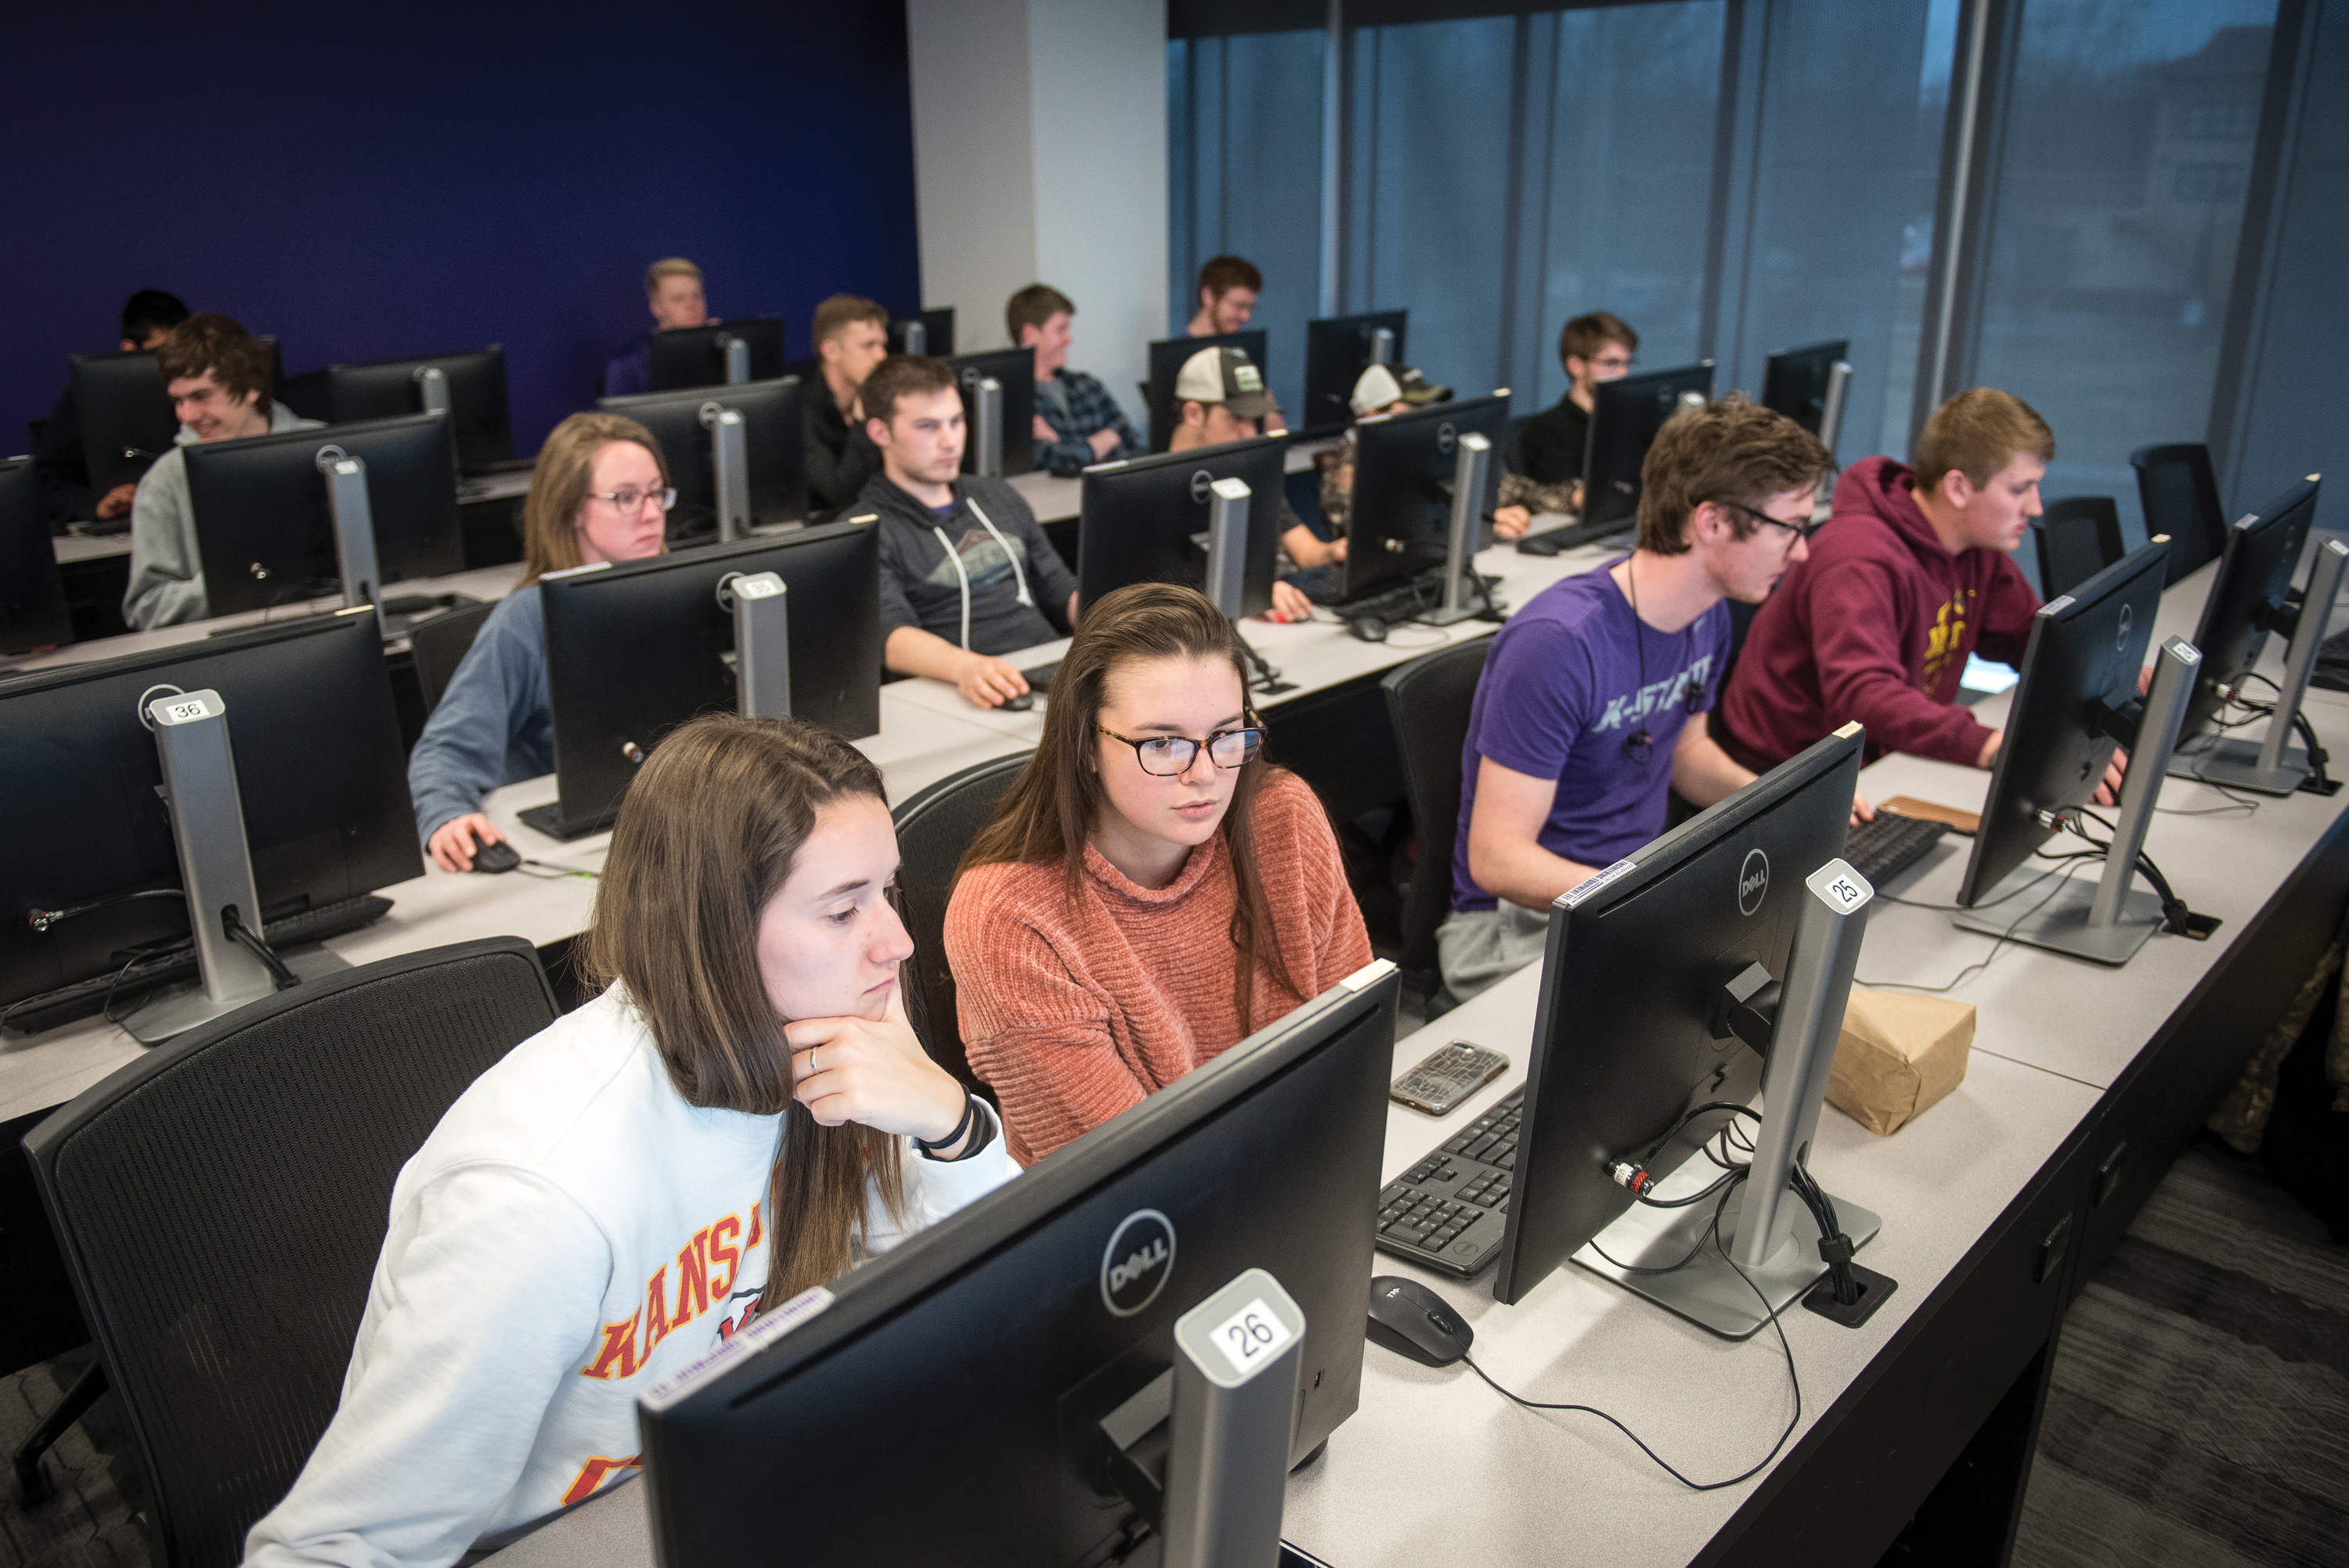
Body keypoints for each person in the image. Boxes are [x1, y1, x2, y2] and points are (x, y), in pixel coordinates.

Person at [244, 713, 1017, 1566]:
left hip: (749, 1479)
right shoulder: (538, 1197)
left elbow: (988, 1301)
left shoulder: (832, 1046)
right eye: (842, 910)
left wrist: (951, 1124)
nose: (898, 941)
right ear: (716, 930)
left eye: (888, 890)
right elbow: (333, 1549)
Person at [944, 582, 1373, 1163]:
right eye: (1164, 743)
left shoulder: (1282, 814)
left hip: (1307, 1163)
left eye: (1226, 734)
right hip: (1139, 1234)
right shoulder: (1010, 918)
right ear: (1085, 745)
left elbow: (1355, 1041)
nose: (1204, 773)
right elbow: (1130, 1172)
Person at [1440, 395, 1842, 1002]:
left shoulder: (1706, 615)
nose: (1803, 550)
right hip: (1516, 923)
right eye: (1791, 528)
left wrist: (1794, 807)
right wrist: (1654, 904)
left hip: (1629, 895)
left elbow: (1687, 752)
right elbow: (1496, 861)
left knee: (1795, 979)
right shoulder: (1557, 645)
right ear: (1711, 522)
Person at [1716, 387, 2058, 780]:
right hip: (1787, 776)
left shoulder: (1976, 548)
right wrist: (1988, 746)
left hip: (1878, 762)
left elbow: (2030, 637)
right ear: (1958, 488)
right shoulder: (1857, 556)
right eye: (2019, 489)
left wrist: (2102, 668)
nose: (2035, 508)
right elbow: (1863, 696)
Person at [406, 412, 673, 871]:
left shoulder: (680, 593)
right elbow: (444, 753)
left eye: (656, 493)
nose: (651, 514)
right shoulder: (527, 621)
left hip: (674, 821)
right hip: (580, 848)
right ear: (573, 511)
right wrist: (448, 815)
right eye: (626, 498)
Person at [857, 354, 1081, 710]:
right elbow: (892, 637)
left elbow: (1057, 585)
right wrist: (966, 668)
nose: (950, 442)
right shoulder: (868, 528)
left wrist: (1118, 620)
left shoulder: (996, 494)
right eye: (928, 426)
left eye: (956, 422)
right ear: (880, 432)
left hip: (1048, 672)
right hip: (962, 687)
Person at [121, 314, 322, 630]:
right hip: (233, 647)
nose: (187, 415)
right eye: (178, 401)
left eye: (202, 396)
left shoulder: (327, 452)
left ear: (252, 387)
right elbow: (147, 607)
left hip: (329, 624)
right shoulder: (165, 480)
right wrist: (237, 581)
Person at [1166, 345, 1318, 620]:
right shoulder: (1150, 492)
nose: (1249, 432)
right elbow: (1157, 599)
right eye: (1235, 417)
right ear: (1193, 414)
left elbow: (1307, 553)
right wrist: (1252, 592)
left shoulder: (1251, 474)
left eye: (1253, 420)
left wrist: (1340, 551)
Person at [1313, 362, 1526, 544]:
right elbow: (1380, 526)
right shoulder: (1345, 466)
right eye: (1415, 408)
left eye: (1429, 406)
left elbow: (1512, 490)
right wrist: (1478, 520)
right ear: (1373, 415)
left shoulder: (1421, 453)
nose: (1427, 415)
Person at [34, 288, 190, 533]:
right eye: (162, 354)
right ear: (129, 349)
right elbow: (44, 484)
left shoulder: (200, 399)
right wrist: (96, 504)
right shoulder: (86, 400)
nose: (175, 365)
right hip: (117, 537)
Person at [1491, 311, 1638, 535]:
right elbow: (1568, 497)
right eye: (1611, 363)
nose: (1623, 373)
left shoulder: (1628, 424)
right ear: (1576, 365)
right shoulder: (1548, 430)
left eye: (1627, 363)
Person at [1012, 283, 1144, 475]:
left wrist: (1062, 443)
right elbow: (1048, 460)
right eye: (1060, 330)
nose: (1069, 339)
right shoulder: (1016, 400)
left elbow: (1131, 442)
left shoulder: (1086, 385)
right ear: (1030, 334)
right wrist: (1103, 441)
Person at [803, 294, 890, 516]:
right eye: (868, 346)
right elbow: (840, 494)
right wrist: (862, 420)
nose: (882, 356)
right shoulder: (799, 411)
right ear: (831, 351)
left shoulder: (885, 398)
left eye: (882, 345)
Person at [601, 258, 710, 398]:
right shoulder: (628, 365)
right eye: (678, 299)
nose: (691, 305)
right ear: (656, 308)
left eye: (697, 296)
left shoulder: (727, 351)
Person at [1185, 255, 1261, 339]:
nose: (1246, 317)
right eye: (1239, 305)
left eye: (1250, 307)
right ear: (1208, 296)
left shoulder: (1242, 350)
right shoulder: (1176, 351)